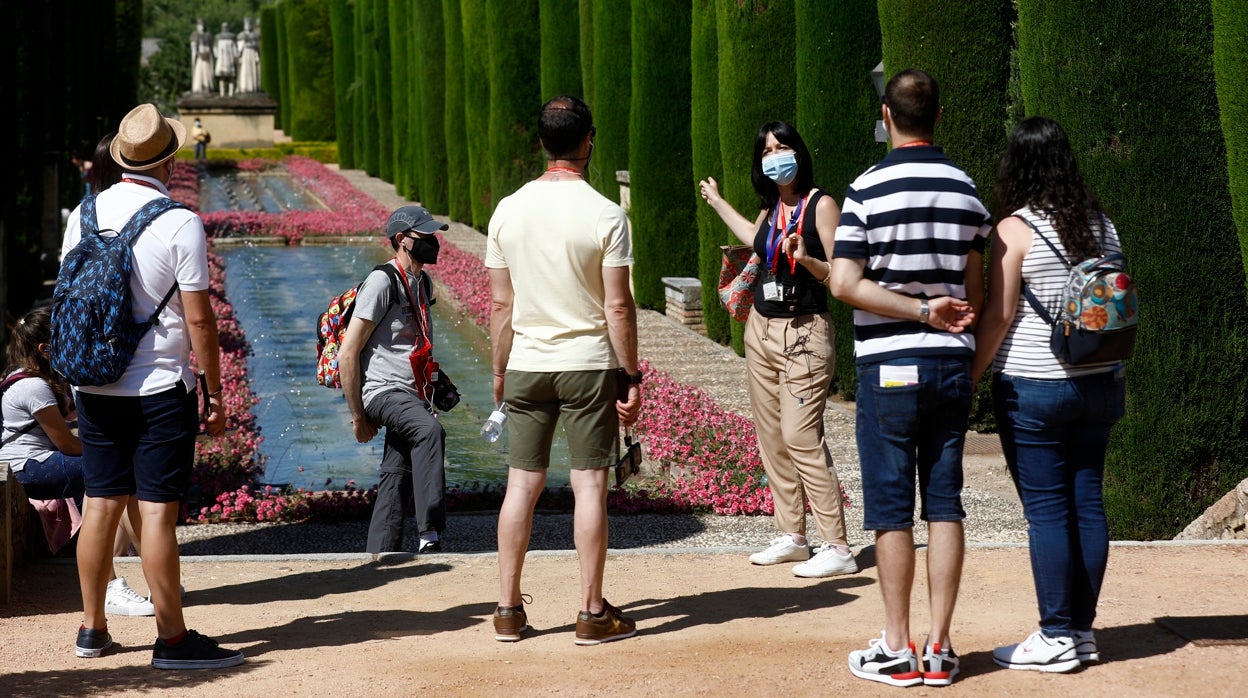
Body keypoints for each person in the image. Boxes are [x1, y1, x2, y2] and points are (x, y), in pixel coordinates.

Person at [60, 103, 243, 669]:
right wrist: (213, 393)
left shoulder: (83, 214)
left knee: (100, 505)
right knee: (157, 514)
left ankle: (92, 628)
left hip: (93, 386)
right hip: (160, 387)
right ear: (168, 160)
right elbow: (200, 321)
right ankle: (172, 640)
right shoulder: (178, 220)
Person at [825, 69, 991, 688]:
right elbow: (974, 294)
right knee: (945, 503)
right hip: (950, 363)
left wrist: (917, 309)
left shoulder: (865, 190)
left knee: (891, 509)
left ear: (887, 118)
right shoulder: (967, 193)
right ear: (938, 116)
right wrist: (954, 340)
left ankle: (897, 646)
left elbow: (844, 284)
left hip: (889, 366)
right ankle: (941, 647)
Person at [486, 95, 642, 645]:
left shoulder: (507, 209)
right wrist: (631, 376)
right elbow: (618, 307)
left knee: (521, 487)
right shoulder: (606, 213)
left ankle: (507, 609)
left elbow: (501, 307)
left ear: (543, 143)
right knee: (589, 486)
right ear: (588, 141)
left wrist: (501, 372)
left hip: (528, 361)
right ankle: (591, 613)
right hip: (587, 365)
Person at [972, 116, 1125, 673]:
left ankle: (1055, 633)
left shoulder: (1014, 229)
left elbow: (1000, 314)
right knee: (1088, 503)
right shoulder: (1102, 225)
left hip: (1035, 386)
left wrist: (969, 376)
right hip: (1101, 382)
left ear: (1018, 165)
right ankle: (1081, 633)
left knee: (1046, 513)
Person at [697, 121, 857, 578]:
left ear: (798, 153)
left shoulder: (821, 204)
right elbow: (755, 238)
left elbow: (841, 275)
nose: (775, 155)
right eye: (767, 149)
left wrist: (806, 259)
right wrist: (718, 201)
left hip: (805, 333)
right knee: (770, 437)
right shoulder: (772, 207)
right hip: (761, 330)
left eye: (782, 146)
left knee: (801, 436)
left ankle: (838, 545)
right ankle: (793, 536)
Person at [1, 307, 154, 617]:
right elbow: (67, 444)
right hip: (27, 468)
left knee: (121, 474)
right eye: (67, 337)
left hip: (41, 459)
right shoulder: (33, 387)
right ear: (45, 349)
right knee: (112, 472)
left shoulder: (44, 378)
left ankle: (147, 574)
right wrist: (117, 450)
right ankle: (112, 585)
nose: (76, 341)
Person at [338, 205, 449, 556]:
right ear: (402, 240)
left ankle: (380, 555)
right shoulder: (382, 282)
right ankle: (430, 532)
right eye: (425, 236)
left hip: (412, 393)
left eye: (434, 235)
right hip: (384, 392)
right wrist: (359, 417)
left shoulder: (421, 282)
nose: (433, 241)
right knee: (429, 432)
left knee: (395, 476)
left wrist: (436, 379)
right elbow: (347, 353)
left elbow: (413, 341)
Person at [235, 17, 261, 94]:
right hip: (245, 54)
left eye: (249, 24)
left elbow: (257, 47)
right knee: (244, 70)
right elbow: (240, 48)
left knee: (253, 70)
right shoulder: (241, 35)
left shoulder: (255, 35)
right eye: (246, 24)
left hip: (252, 54)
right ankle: (244, 86)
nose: (248, 26)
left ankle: (252, 87)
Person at [190, 19, 214, 95]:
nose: (201, 27)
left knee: (207, 72)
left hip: (206, 57)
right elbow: (194, 48)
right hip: (199, 57)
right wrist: (198, 53)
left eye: (202, 25)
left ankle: (207, 86)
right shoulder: (195, 35)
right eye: (200, 25)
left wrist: (206, 52)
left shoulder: (207, 35)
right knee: (199, 72)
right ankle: (198, 87)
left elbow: (209, 47)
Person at [214, 22, 237, 98]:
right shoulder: (218, 37)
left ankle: (230, 93)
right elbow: (215, 49)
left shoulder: (231, 37)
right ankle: (222, 93)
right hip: (222, 60)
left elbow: (235, 50)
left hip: (228, 60)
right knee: (222, 77)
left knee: (230, 77)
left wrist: (235, 57)